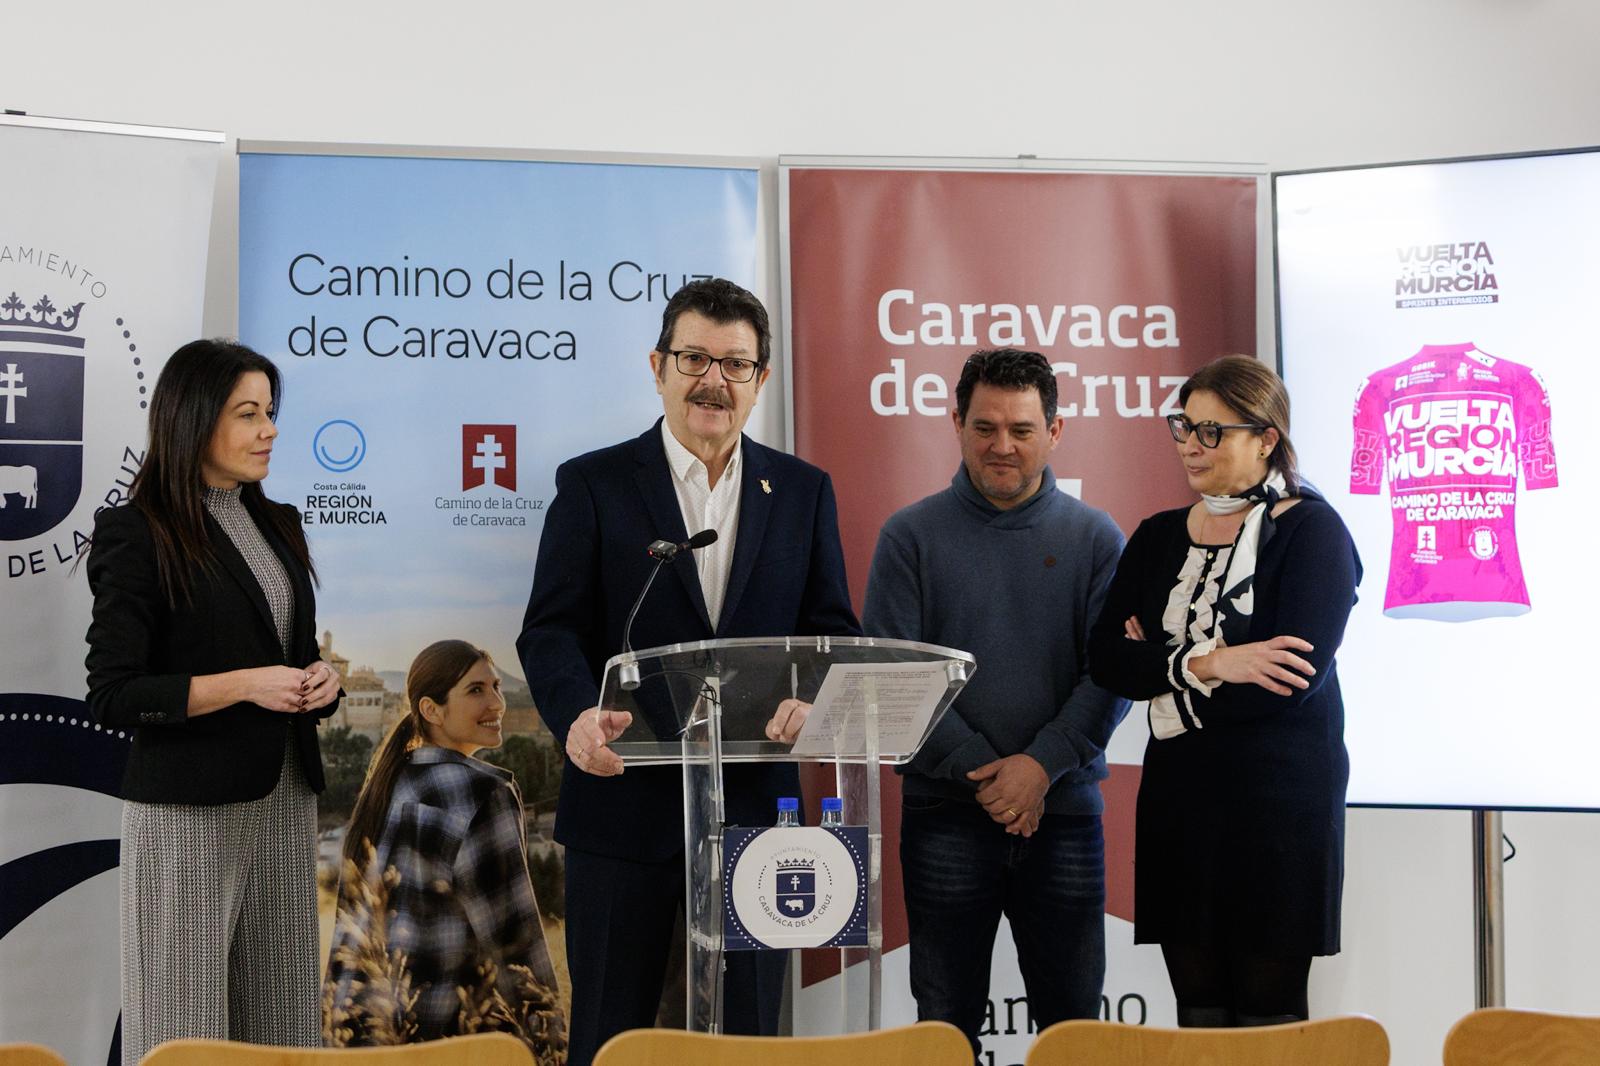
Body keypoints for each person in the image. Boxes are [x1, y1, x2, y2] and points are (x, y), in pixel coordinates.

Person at [516, 277, 859, 1066]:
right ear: (658, 366)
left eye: (735, 364)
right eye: (695, 358)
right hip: (620, 807)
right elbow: (551, 630)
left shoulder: (803, 492)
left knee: (750, 1044)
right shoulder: (594, 483)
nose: (713, 380)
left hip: (756, 815)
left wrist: (811, 701)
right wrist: (576, 718)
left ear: (761, 379)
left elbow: (831, 634)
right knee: (609, 1038)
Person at [861, 348, 1129, 1056]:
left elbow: (1111, 677)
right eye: (984, 427)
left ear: (1055, 431)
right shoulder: (909, 537)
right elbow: (892, 676)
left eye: (1021, 429)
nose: (1001, 445)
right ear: (956, 423)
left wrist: (1039, 769)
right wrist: (990, 776)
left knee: (1074, 1032)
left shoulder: (1097, 538)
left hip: (1063, 814)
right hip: (945, 816)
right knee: (944, 1027)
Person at [84, 338, 342, 1065]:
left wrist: (320, 682)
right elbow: (113, 694)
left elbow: (291, 652)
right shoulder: (136, 532)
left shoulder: (278, 521)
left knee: (284, 1030)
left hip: (285, 803)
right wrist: (247, 685)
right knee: (182, 1031)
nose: (270, 430)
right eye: (248, 413)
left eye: (271, 411)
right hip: (187, 817)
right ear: (194, 419)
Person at [1087, 354, 1360, 1027]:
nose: (1190, 444)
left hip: (1278, 802)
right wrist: (1215, 663)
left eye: (1212, 431)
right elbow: (1106, 661)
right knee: (1199, 1010)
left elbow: (1285, 685)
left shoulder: (1312, 533)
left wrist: (1161, 664)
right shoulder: (1157, 537)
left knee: (1268, 1013)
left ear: (1266, 438)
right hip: (1180, 798)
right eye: (1184, 427)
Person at [324, 640, 565, 1061]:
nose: (497, 703)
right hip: (441, 1042)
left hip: (354, 1039)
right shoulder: (480, 793)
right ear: (431, 710)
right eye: (476, 690)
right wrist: (551, 1044)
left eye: (496, 686)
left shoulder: (390, 782)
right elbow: (515, 943)